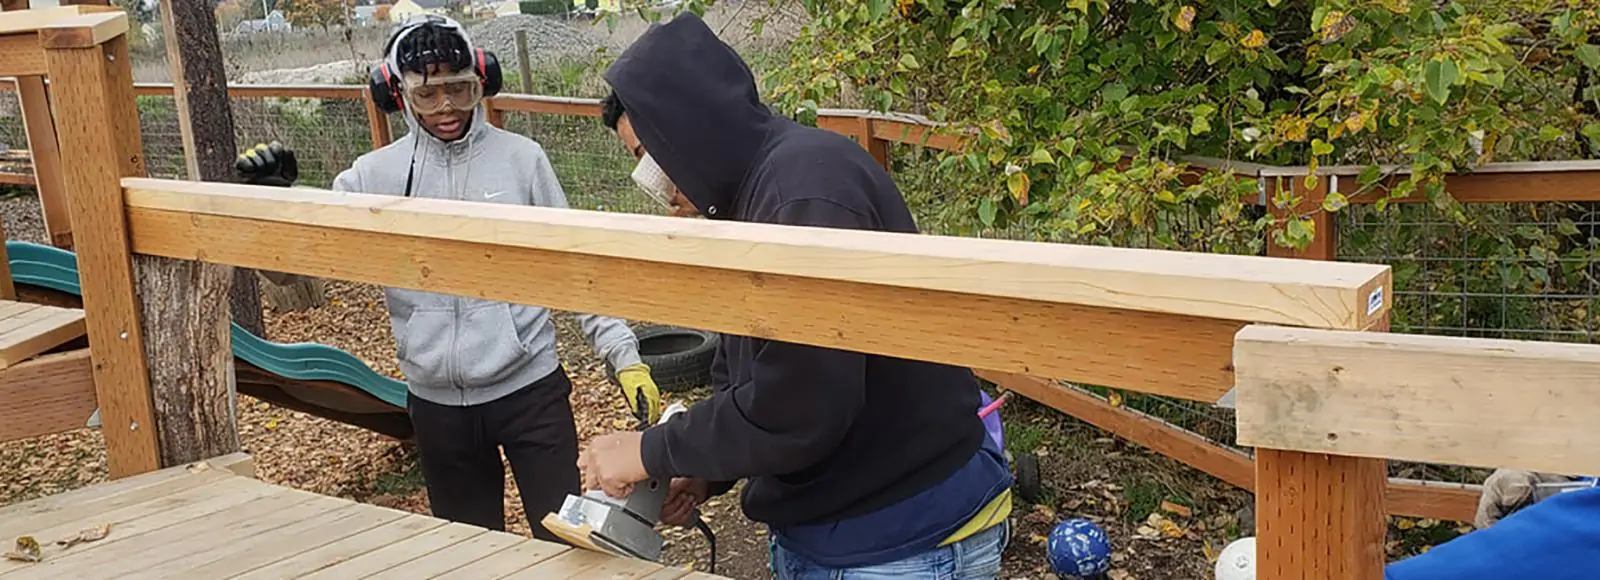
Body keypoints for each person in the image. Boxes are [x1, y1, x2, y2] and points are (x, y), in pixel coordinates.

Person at [578, 12, 1013, 578]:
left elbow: (802, 403)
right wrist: (705, 471)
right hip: (839, 530)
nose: (652, 184)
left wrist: (652, 450)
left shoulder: (806, 192)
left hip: (902, 540)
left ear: (688, 128)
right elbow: (748, 377)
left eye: (647, 156)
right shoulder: (750, 204)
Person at [232, 14, 663, 543]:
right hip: (437, 406)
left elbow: (579, 270)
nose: (446, 108)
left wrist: (624, 357)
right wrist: (274, 206)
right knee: (467, 552)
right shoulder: (372, 178)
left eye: (460, 90)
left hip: (530, 392)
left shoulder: (521, 162)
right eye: (428, 94)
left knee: (567, 546)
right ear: (396, 92)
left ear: (481, 81)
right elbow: (289, 270)